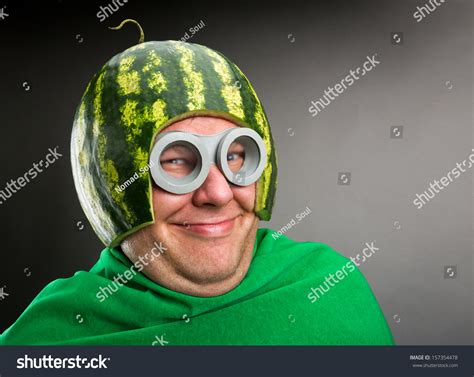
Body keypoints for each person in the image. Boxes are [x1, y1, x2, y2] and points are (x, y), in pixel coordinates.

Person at [0, 36, 394, 345]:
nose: (218, 193)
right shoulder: (47, 343)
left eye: (237, 156)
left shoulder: (331, 290)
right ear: (110, 186)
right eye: (176, 162)